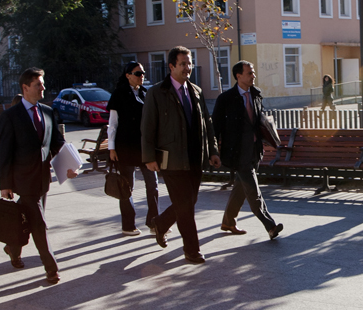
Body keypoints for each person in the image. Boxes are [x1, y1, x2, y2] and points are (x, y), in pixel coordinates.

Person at [0, 68, 78, 284]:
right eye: (38, 84)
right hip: (22, 180)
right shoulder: (10, 116)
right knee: (39, 224)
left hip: (42, 179)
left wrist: (70, 165)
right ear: (25, 88)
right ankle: (51, 268)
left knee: (28, 220)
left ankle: (12, 248)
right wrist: (5, 184)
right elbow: (4, 152)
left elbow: (57, 143)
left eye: (42, 83)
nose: (43, 87)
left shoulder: (47, 112)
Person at [141, 46, 221, 264]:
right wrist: (149, 157)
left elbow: (207, 124)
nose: (188, 68)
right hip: (172, 160)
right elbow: (147, 127)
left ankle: (160, 223)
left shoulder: (196, 91)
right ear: (171, 66)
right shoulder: (157, 93)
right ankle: (192, 250)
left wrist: (213, 150)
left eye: (190, 63)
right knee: (185, 205)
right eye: (183, 64)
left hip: (195, 157)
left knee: (190, 200)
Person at [212, 61, 283, 240]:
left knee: (241, 187)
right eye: (250, 73)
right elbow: (215, 127)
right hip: (237, 152)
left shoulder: (256, 95)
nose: (253, 76)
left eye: (253, 72)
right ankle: (270, 225)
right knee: (252, 189)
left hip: (254, 150)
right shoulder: (226, 99)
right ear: (238, 76)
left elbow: (258, 121)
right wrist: (213, 151)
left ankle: (228, 221)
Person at [107, 61, 160, 236]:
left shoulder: (146, 93)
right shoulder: (119, 94)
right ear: (128, 75)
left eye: (143, 73)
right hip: (125, 147)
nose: (141, 76)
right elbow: (113, 124)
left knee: (153, 184)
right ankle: (128, 225)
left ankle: (154, 222)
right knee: (126, 187)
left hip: (145, 148)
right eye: (138, 73)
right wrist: (112, 148)